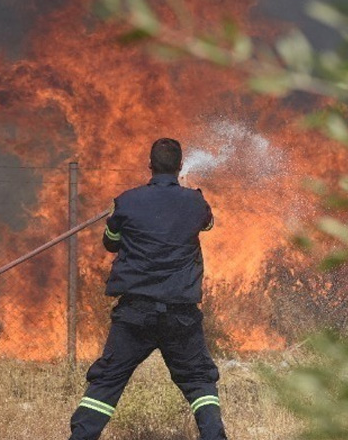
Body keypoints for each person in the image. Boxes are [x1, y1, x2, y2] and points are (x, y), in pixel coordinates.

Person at [68, 138, 227, 440]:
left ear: (149, 165)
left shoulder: (126, 201)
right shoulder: (195, 202)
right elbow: (207, 225)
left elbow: (110, 242)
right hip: (180, 315)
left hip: (135, 314)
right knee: (199, 381)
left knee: (107, 380)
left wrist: (118, 216)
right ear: (180, 166)